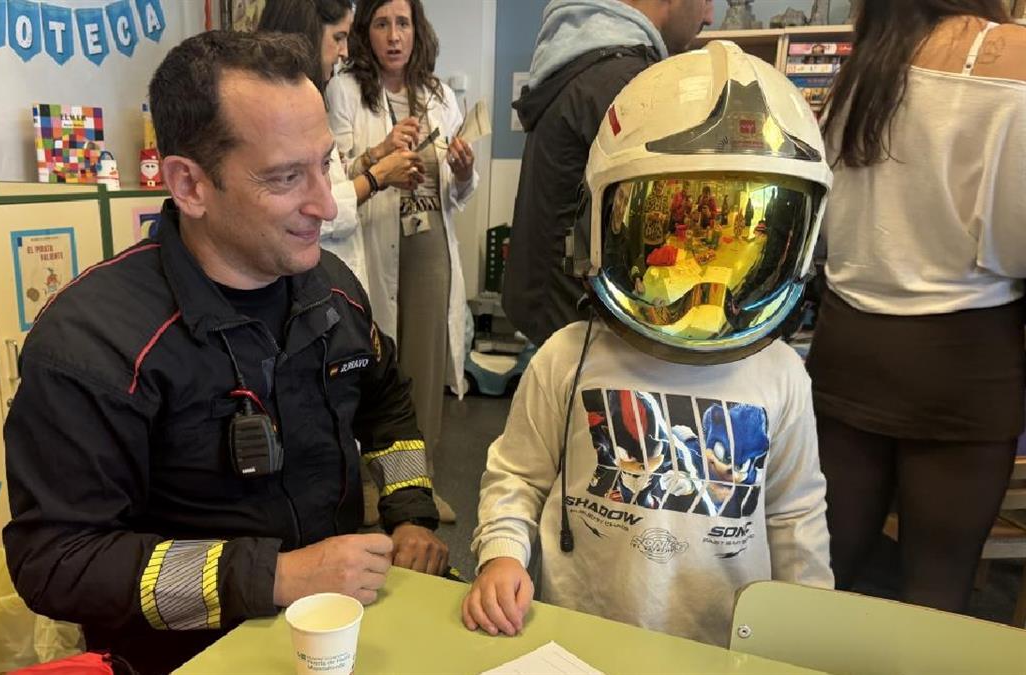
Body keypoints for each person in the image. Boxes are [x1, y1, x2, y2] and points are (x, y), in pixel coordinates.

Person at [2, 31, 448, 674]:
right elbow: (59, 560)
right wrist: (270, 576)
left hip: (342, 630)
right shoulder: (92, 344)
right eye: (286, 177)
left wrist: (411, 516)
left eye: (325, 163)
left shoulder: (335, 292)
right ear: (188, 184)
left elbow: (386, 405)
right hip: (186, 655)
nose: (325, 204)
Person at [463, 41, 833, 647]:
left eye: (737, 251)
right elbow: (516, 476)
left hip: (720, 647)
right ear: (600, 227)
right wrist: (501, 555)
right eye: (677, 245)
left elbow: (795, 517)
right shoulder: (566, 357)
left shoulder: (781, 375)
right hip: (577, 634)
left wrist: (809, 630)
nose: (703, 299)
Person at [807, 0, 1025, 614]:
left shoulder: (866, 65)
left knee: (824, 569)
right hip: (963, 357)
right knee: (937, 585)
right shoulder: (1011, 57)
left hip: (847, 345)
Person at [325, 0, 477, 523]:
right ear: (366, 33)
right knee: (376, 361)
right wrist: (381, 151)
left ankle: (422, 481)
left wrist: (461, 170)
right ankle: (373, 486)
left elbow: (458, 195)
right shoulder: (345, 91)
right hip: (375, 240)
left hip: (429, 239)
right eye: (383, 24)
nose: (394, 36)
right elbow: (333, 176)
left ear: (418, 31)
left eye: (403, 24)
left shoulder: (437, 95)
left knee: (425, 363)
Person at [502, 0, 715, 348]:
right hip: (587, 337)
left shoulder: (582, 66)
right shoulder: (628, 86)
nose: (709, 16)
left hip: (557, 318)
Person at [258, 0, 425, 292]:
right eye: (338, 37)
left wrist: (376, 154)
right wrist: (377, 177)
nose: (345, 51)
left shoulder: (308, 100)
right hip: (308, 279)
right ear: (307, 33)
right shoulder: (279, 116)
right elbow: (320, 208)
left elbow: (331, 176)